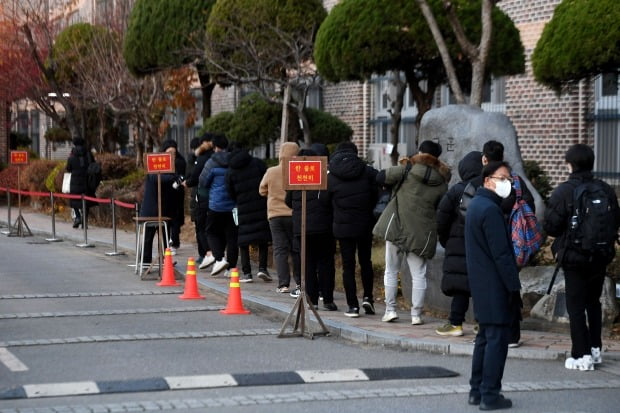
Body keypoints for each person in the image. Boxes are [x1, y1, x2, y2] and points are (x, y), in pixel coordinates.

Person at [543, 144, 620, 371]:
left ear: (569, 164)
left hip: (574, 257)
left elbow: (551, 226)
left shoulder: (564, 191)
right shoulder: (605, 189)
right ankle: (595, 349)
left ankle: (581, 355)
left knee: (575, 306)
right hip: (600, 255)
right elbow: (615, 219)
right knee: (593, 302)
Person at [373, 140, 450, 325]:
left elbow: (380, 177)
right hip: (421, 234)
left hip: (397, 228)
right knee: (419, 274)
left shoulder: (407, 169)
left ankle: (390, 310)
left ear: (420, 152)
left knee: (391, 270)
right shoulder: (441, 182)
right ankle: (416, 315)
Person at [465, 160, 521, 411]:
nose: (507, 183)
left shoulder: (477, 204)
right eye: (502, 178)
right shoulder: (490, 210)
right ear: (488, 180)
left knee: (484, 338)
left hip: (480, 282)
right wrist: (513, 287)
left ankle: (476, 390)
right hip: (494, 284)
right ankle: (490, 394)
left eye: (509, 179)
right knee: (496, 339)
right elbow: (502, 254)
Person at [327, 141, 378, 317]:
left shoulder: (331, 176)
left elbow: (326, 201)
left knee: (348, 266)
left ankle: (352, 306)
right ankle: (368, 298)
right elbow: (379, 188)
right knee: (366, 262)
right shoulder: (367, 171)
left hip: (343, 227)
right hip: (365, 224)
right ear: (355, 153)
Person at [435, 151, 483, 336]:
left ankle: (455, 323)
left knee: (460, 287)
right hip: (480, 244)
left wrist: (446, 240)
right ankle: (481, 323)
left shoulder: (456, 190)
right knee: (481, 285)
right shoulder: (488, 189)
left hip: (457, 243)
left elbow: (442, 218)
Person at [285, 148, 336, 307]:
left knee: (308, 263)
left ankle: (312, 300)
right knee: (326, 263)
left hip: (302, 228)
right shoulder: (324, 177)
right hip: (324, 227)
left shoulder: (294, 178)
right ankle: (328, 300)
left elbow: (287, 202)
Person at [259, 142, 302, 295]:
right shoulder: (298, 170)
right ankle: (299, 282)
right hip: (293, 214)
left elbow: (261, 190)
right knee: (296, 249)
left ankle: (283, 284)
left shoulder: (271, 171)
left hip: (275, 215)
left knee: (279, 249)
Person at [226, 142, 272, 283]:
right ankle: (262, 269)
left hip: (243, 207)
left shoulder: (231, 171)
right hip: (260, 204)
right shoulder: (258, 163)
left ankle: (247, 273)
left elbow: (230, 192)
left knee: (243, 240)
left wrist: (239, 200)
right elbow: (266, 182)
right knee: (262, 238)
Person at [199, 134, 237, 276]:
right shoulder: (234, 160)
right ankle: (232, 268)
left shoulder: (211, 162)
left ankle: (219, 258)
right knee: (232, 236)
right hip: (232, 205)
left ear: (214, 147)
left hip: (216, 205)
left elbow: (203, 182)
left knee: (211, 231)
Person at [183, 134, 215, 268]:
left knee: (201, 227)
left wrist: (187, 182)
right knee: (218, 229)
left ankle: (208, 254)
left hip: (202, 196)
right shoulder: (219, 158)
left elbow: (193, 177)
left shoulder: (201, 159)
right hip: (220, 198)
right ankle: (215, 256)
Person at [161, 139, 186, 256]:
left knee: (176, 219)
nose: (172, 155)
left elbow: (182, 176)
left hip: (177, 193)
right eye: (169, 152)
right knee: (167, 219)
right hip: (165, 194)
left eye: (173, 153)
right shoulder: (161, 162)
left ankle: (174, 243)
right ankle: (168, 241)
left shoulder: (180, 162)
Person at [66, 137, 96, 228]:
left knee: (74, 200)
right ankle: (85, 222)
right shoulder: (88, 154)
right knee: (86, 201)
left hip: (75, 181)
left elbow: (68, 168)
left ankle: (78, 217)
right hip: (87, 181)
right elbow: (93, 165)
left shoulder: (72, 156)